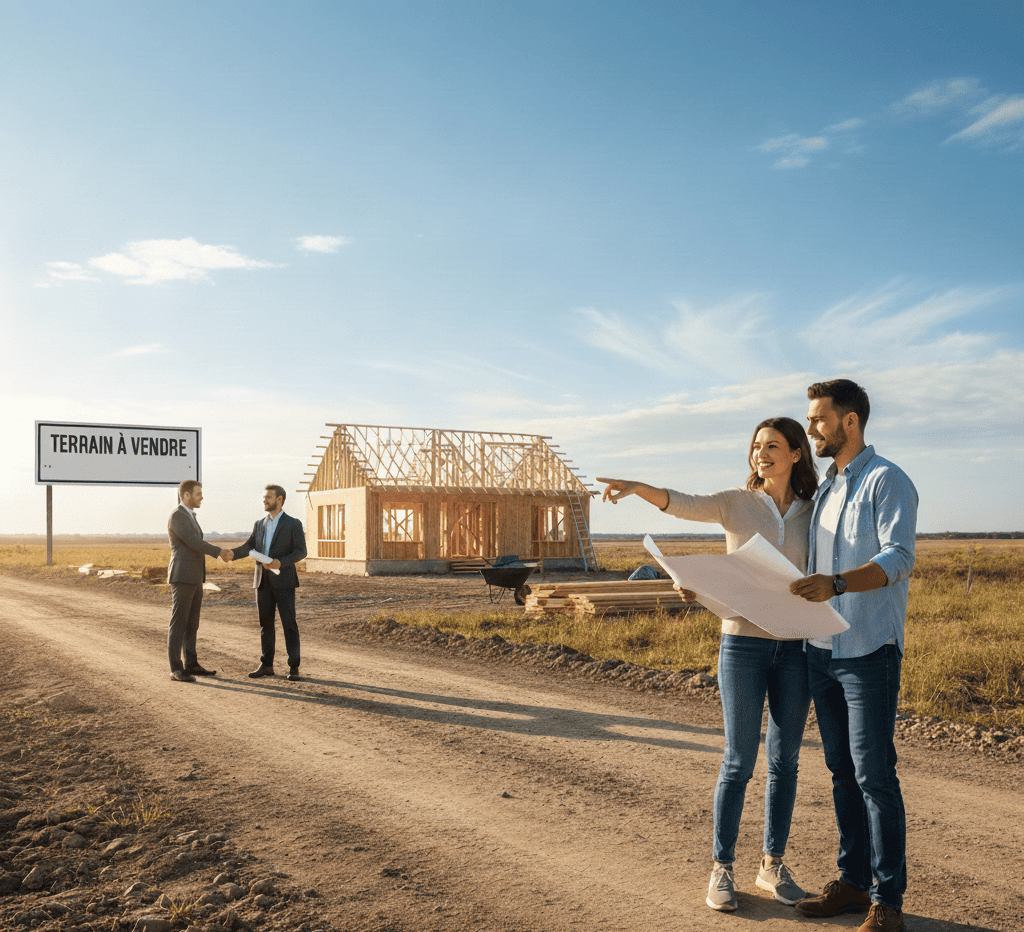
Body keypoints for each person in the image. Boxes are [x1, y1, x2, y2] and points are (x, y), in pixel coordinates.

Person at [598, 415, 818, 913]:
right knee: (739, 760)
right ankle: (722, 868)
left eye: (773, 446)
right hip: (741, 644)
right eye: (756, 446)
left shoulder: (813, 509)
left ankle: (772, 865)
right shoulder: (735, 503)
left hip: (796, 647)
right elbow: (681, 503)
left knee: (785, 761)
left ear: (796, 454)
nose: (761, 453)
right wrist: (637, 488)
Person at [789, 380, 917, 932]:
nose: (812, 428)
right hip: (821, 650)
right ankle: (853, 881)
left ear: (850, 421)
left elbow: (899, 558)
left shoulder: (888, 481)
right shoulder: (825, 488)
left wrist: (837, 583)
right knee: (841, 771)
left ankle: (888, 903)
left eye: (819, 419)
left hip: (868, 650)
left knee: (873, 775)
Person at [228, 484, 308, 681]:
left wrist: (280, 562)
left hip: (284, 581)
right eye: (264, 497)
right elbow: (249, 546)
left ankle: (294, 667)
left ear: (279, 499)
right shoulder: (259, 524)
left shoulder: (293, 524)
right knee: (265, 624)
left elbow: (301, 551)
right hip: (262, 581)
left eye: (268, 497)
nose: (264, 500)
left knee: (289, 623)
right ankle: (266, 665)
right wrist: (231, 554)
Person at [166, 480, 233, 683]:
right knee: (179, 623)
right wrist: (219, 552)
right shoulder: (177, 516)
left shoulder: (190, 516)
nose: (201, 497)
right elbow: (194, 543)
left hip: (194, 577)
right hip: (182, 576)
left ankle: (191, 664)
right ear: (186, 495)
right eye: (198, 493)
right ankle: (176, 668)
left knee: (192, 624)